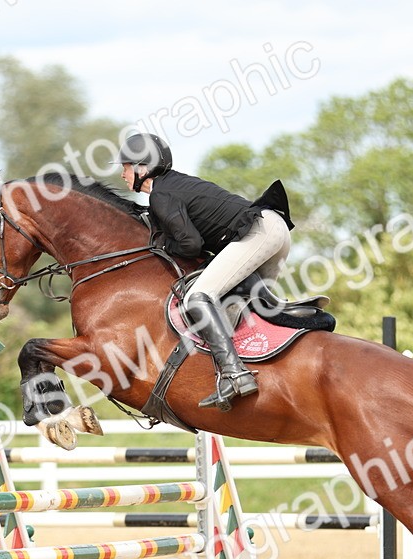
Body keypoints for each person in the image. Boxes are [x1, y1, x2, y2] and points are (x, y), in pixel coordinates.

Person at [117, 132, 294, 410]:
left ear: (143, 168)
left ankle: (235, 375)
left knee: (197, 297)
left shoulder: (161, 195)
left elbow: (190, 244)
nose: (122, 175)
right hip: (275, 229)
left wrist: (163, 243)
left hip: (260, 232)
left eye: (125, 167)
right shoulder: (174, 185)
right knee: (235, 309)